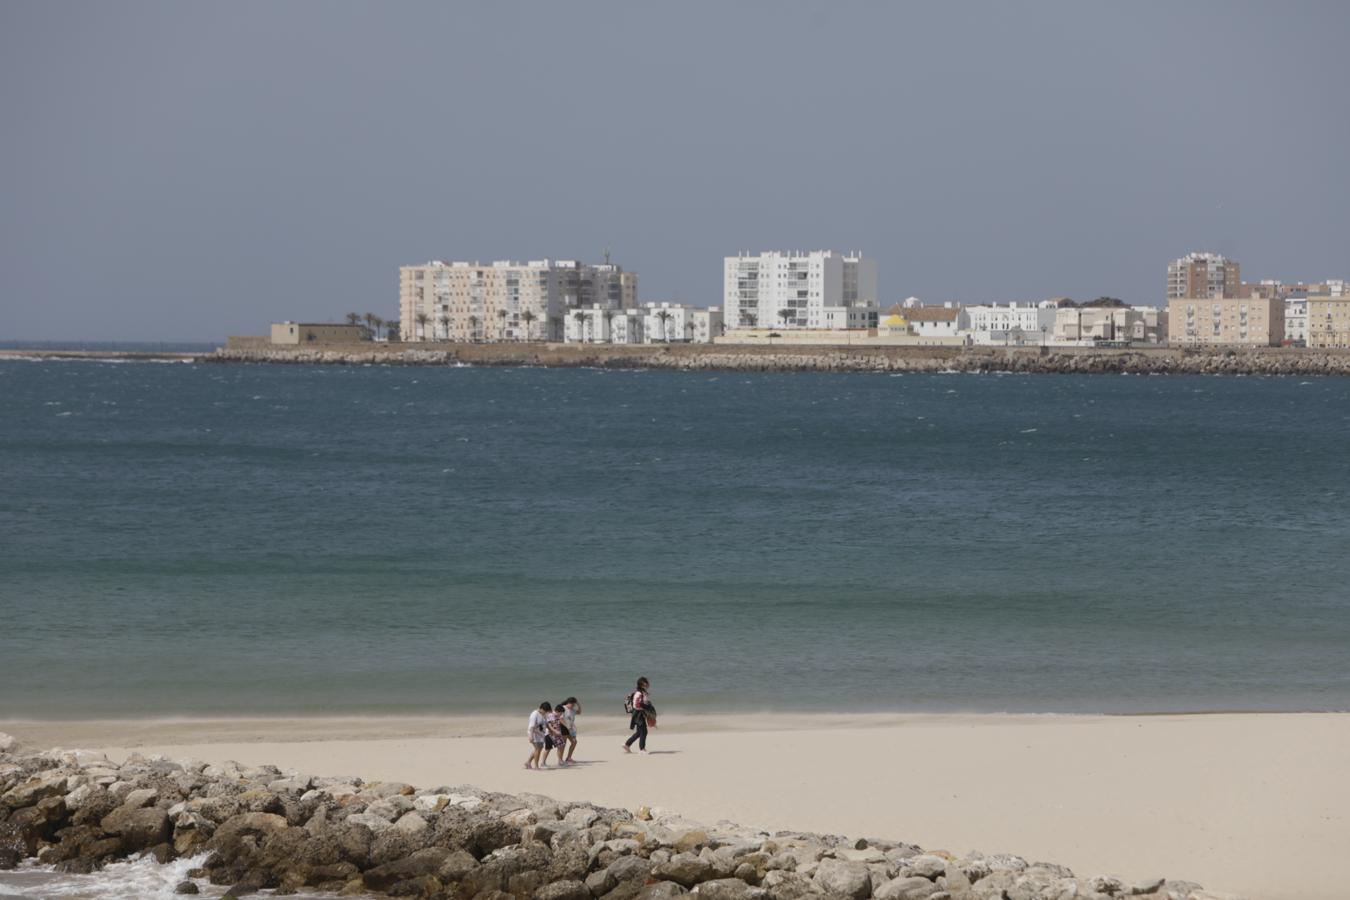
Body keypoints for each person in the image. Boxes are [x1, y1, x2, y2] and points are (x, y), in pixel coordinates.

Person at [623, 677, 655, 754]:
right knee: (644, 731)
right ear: (641, 685)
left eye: (647, 682)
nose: (647, 684)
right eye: (645, 683)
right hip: (638, 714)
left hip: (638, 713)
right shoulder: (639, 693)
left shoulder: (641, 692)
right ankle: (642, 749)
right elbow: (637, 704)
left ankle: (627, 744)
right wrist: (647, 707)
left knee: (639, 732)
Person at [525, 701, 551, 770]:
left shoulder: (543, 714)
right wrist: (530, 736)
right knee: (537, 750)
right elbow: (531, 726)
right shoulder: (535, 714)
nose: (545, 712)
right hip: (534, 734)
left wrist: (551, 731)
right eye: (545, 711)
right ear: (541, 708)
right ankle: (536, 766)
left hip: (541, 735)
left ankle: (528, 762)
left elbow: (545, 724)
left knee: (539, 749)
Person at [546, 702, 569, 767]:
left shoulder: (557, 716)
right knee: (548, 749)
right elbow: (549, 725)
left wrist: (560, 732)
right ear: (557, 711)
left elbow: (558, 725)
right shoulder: (551, 715)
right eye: (561, 713)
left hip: (558, 734)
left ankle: (560, 761)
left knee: (561, 746)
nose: (561, 714)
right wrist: (555, 731)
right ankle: (543, 762)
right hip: (551, 734)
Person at [561, 696, 581, 764]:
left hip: (571, 729)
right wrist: (566, 726)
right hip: (564, 728)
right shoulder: (563, 708)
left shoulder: (572, 710)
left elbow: (579, 712)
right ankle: (560, 759)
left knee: (574, 742)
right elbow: (560, 718)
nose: (573, 706)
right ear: (568, 703)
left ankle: (568, 758)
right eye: (572, 704)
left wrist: (578, 704)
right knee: (563, 744)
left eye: (574, 705)